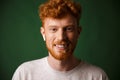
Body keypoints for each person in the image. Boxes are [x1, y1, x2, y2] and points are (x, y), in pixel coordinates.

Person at [12, 0, 109, 80]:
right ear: (43, 33)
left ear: (78, 32)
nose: (61, 37)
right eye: (53, 29)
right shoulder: (24, 74)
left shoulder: (97, 76)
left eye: (68, 29)